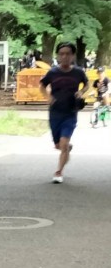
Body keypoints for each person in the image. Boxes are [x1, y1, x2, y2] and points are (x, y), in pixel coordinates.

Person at [40, 42, 89, 184]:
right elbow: (42, 86)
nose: (65, 56)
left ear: (73, 55)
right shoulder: (53, 72)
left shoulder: (78, 72)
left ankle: (59, 171)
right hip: (55, 113)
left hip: (70, 113)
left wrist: (81, 92)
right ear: (58, 56)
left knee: (63, 143)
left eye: (68, 53)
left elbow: (86, 84)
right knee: (58, 145)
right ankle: (66, 147)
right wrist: (49, 97)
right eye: (61, 54)